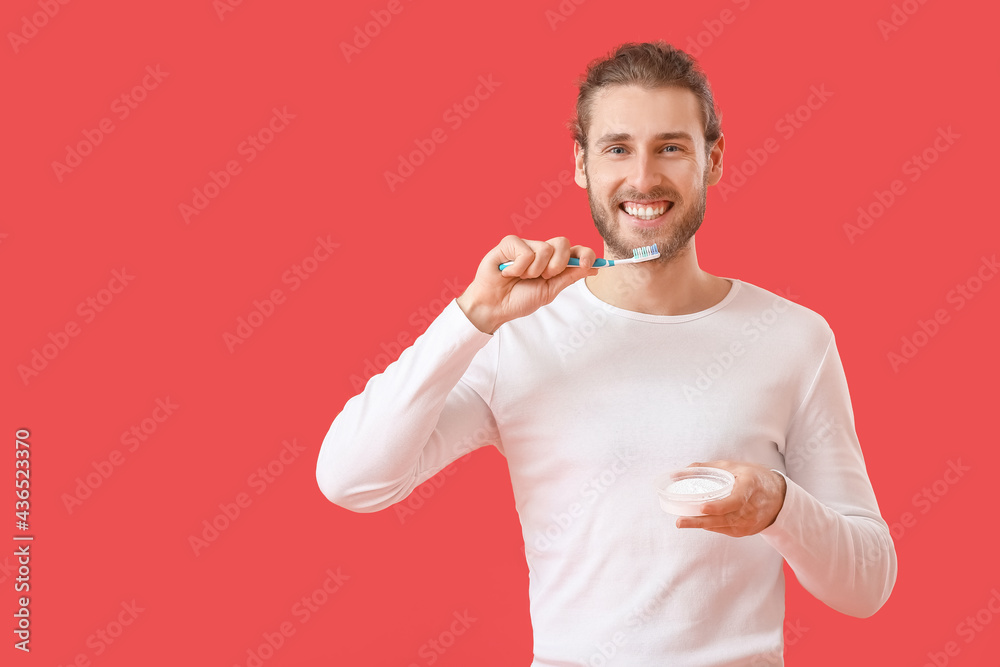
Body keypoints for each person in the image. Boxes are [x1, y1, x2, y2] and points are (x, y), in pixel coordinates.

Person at [316, 41, 897, 666]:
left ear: (715, 159)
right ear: (580, 163)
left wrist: (781, 507)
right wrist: (471, 320)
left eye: (671, 147)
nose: (643, 178)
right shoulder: (519, 334)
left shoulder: (794, 339)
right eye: (617, 148)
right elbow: (351, 481)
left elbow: (866, 586)